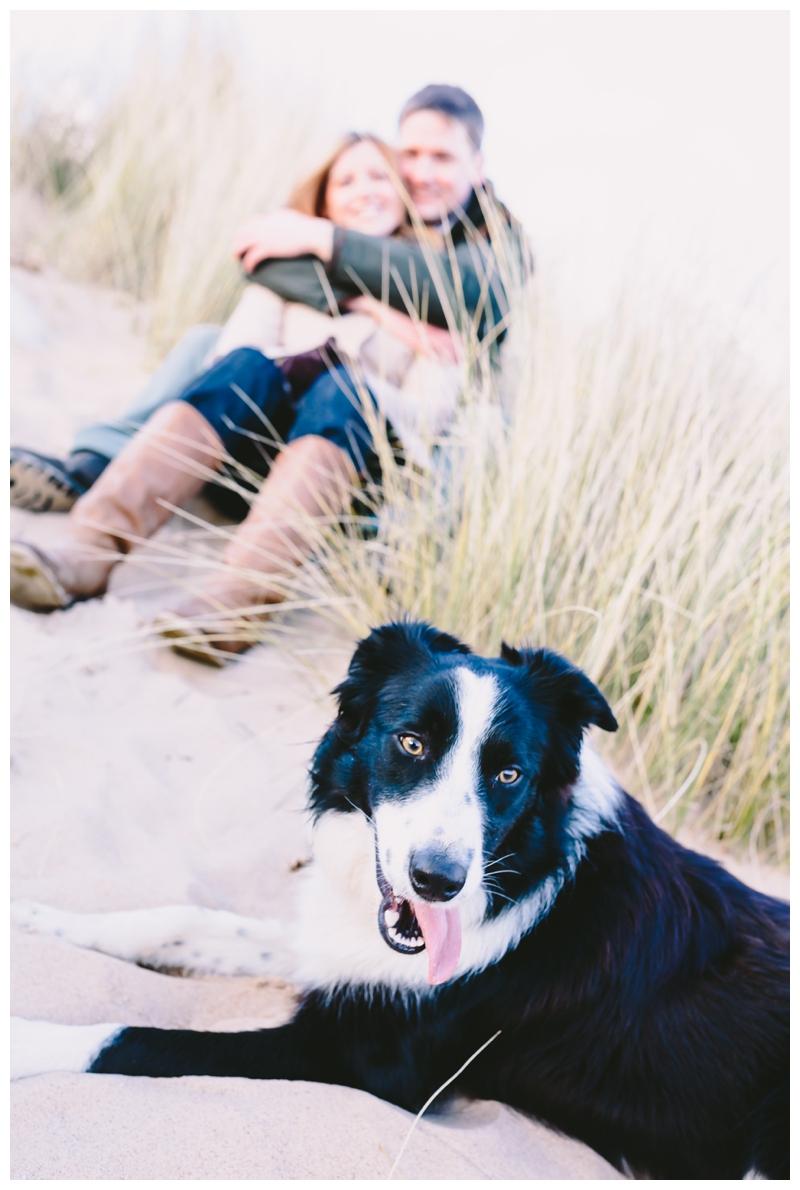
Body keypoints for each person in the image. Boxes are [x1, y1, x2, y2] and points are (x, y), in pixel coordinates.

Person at [11, 86, 529, 663]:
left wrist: (361, 377)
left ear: (476, 166)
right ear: (326, 205)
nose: (404, 178)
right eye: (404, 159)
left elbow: (434, 404)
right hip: (246, 455)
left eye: (382, 178)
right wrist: (358, 302)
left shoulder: (476, 255)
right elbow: (232, 356)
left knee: (353, 392)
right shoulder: (303, 260)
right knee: (234, 361)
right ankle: (84, 549)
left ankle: (238, 603)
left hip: (355, 474)